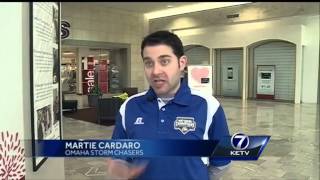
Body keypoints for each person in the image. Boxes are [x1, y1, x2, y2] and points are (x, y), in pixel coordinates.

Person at [107, 30, 231, 180]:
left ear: (182, 63)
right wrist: (119, 166)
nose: (155, 71)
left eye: (164, 61)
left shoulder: (209, 106)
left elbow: (222, 161)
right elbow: (118, 153)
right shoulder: (129, 107)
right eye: (148, 63)